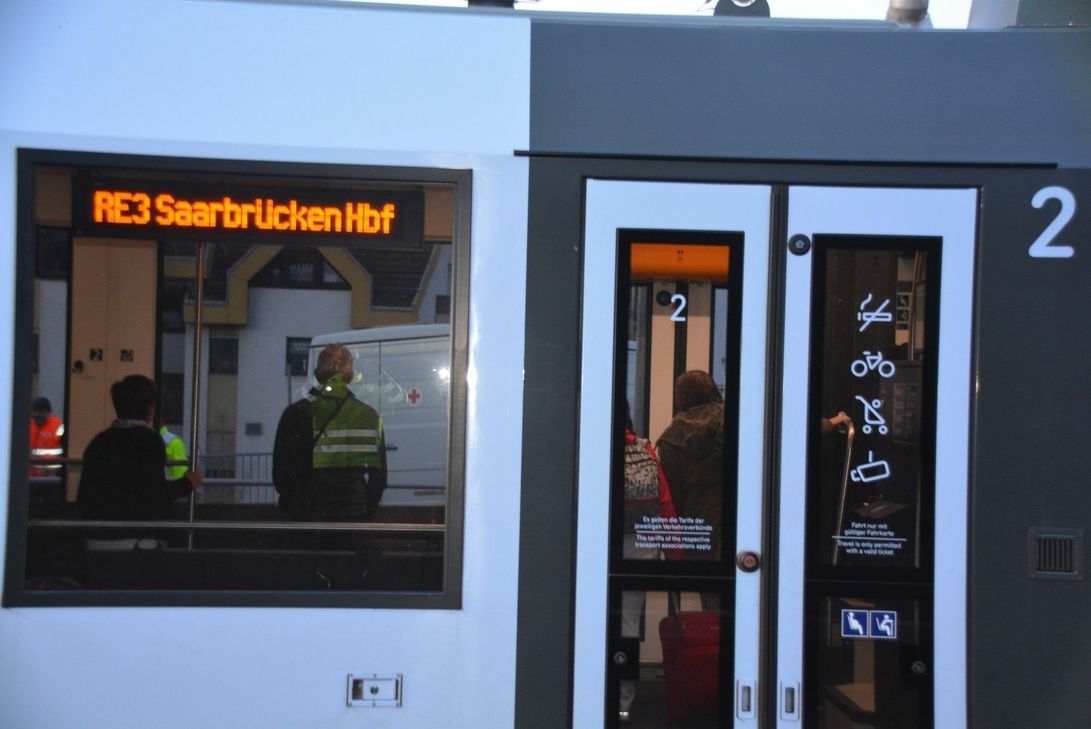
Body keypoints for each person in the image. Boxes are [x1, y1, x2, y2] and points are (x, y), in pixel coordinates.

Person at [273, 343, 387, 521]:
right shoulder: (368, 416)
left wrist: (296, 508)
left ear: (317, 375)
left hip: (307, 516)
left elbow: (280, 474)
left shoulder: (295, 414)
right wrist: (364, 513)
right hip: (353, 514)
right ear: (351, 377)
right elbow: (378, 479)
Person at [619, 405, 679, 723]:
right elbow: (665, 501)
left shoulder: (589, 443)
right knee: (627, 623)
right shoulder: (643, 448)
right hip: (641, 542)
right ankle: (623, 701)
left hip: (600, 543)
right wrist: (675, 550)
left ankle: (589, 686)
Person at [77, 375, 202, 520]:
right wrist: (188, 483)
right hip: (135, 532)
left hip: (96, 532)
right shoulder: (149, 441)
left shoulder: (99, 441)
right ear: (149, 408)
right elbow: (154, 493)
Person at [655, 370, 725, 562]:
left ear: (681, 398)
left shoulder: (672, 437)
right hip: (729, 522)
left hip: (693, 529)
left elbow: (671, 493)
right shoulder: (732, 424)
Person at [29, 397, 65, 476]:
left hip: (52, 475)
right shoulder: (27, 426)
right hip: (30, 477)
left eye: (40, 411)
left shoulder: (59, 426)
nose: (37, 414)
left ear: (49, 412)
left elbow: (67, 450)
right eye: (34, 411)